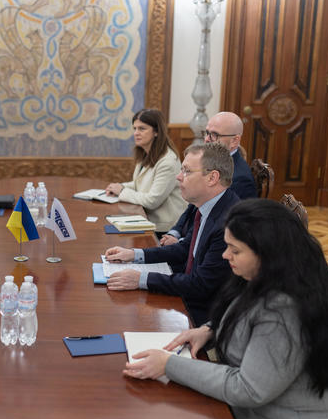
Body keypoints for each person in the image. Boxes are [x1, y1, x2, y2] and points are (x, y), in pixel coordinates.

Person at [122, 199, 328, 419]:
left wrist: (169, 364)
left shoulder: (283, 309)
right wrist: (210, 330)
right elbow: (244, 314)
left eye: (234, 249)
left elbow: (248, 389)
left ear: (266, 254)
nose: (225, 255)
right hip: (298, 417)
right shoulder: (281, 276)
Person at [105, 142, 240, 325]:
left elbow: (200, 285)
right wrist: (134, 255)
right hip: (189, 297)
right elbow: (185, 248)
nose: (178, 177)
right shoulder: (208, 206)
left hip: (205, 315)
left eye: (186, 171)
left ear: (212, 178)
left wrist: (141, 279)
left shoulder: (227, 223)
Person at [161, 111, 257, 247]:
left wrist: (180, 242)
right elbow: (193, 207)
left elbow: (217, 227)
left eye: (214, 135)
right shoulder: (210, 162)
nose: (207, 139)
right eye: (206, 133)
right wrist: (174, 232)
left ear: (235, 140)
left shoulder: (238, 178)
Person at [103, 109, 187, 233]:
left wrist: (122, 191)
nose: (136, 133)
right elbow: (140, 184)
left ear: (156, 132)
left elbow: (152, 200)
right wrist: (119, 186)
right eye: (134, 129)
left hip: (164, 229)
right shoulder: (145, 153)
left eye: (142, 129)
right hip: (146, 220)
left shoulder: (168, 162)